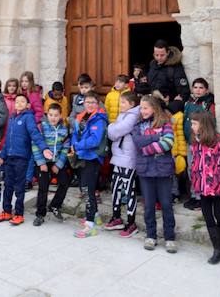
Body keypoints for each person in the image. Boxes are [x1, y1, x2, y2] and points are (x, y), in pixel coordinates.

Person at [0, 94, 52, 226]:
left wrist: (44, 148)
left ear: (28, 105)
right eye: (17, 101)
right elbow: (8, 139)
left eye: (22, 101)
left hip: (21, 158)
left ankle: (19, 213)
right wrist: (2, 156)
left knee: (19, 187)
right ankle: (6, 211)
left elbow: (34, 134)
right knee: (7, 185)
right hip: (9, 157)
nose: (19, 103)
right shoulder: (12, 118)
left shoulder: (28, 118)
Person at [132, 94, 177, 253]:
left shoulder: (165, 123)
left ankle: (170, 237)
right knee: (149, 205)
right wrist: (157, 137)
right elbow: (138, 143)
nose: (142, 111)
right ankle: (151, 235)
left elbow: (168, 143)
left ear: (154, 108)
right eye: (141, 108)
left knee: (166, 204)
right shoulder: (137, 125)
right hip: (146, 170)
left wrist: (148, 145)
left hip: (163, 169)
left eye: (146, 108)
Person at [190, 111, 220, 264]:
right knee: (207, 215)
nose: (192, 126)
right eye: (192, 123)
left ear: (204, 125)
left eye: (195, 123)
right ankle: (218, 249)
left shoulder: (218, 140)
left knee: (219, 214)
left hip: (218, 185)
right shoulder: (195, 142)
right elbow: (196, 162)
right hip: (203, 185)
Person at [69, 90, 108, 238]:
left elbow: (94, 140)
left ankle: (90, 225)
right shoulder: (81, 116)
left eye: (93, 102)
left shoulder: (99, 119)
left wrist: (77, 146)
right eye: (87, 102)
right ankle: (95, 215)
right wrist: (74, 146)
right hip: (81, 156)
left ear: (97, 104)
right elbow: (75, 134)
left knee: (87, 189)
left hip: (92, 158)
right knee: (85, 187)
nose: (90, 105)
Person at [106, 90, 141, 236]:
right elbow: (115, 132)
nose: (120, 105)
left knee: (128, 190)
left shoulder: (133, 116)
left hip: (128, 158)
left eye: (123, 102)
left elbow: (114, 132)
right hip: (119, 157)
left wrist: (111, 128)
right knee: (115, 188)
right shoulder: (123, 115)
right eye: (120, 102)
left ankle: (131, 222)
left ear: (132, 104)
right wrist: (113, 129)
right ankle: (116, 217)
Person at [32, 102, 70, 225]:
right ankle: (40, 214)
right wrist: (41, 163)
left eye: (56, 115)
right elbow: (35, 145)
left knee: (64, 182)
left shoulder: (64, 130)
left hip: (56, 161)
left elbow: (65, 148)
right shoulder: (41, 127)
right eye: (50, 115)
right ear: (47, 115)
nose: (53, 118)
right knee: (43, 187)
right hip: (43, 162)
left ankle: (55, 205)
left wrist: (58, 164)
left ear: (60, 116)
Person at [183, 77, 216, 209]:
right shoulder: (189, 103)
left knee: (200, 170)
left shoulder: (208, 104)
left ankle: (201, 197)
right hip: (189, 141)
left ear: (206, 90)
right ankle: (194, 195)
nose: (198, 90)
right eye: (195, 87)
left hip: (201, 142)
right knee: (191, 169)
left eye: (201, 87)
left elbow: (211, 123)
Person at [147, 40, 190, 114]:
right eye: (156, 55)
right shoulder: (153, 65)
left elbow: (184, 93)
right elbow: (149, 85)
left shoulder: (175, 67)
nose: (159, 58)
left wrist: (170, 109)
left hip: (168, 110)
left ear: (168, 52)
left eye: (162, 55)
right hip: (152, 107)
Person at [20, 70, 44, 190]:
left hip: (30, 127)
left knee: (30, 154)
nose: (24, 84)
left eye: (26, 81)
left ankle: (28, 179)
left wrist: (29, 122)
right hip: (20, 127)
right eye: (22, 81)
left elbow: (39, 112)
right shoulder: (20, 94)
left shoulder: (34, 95)